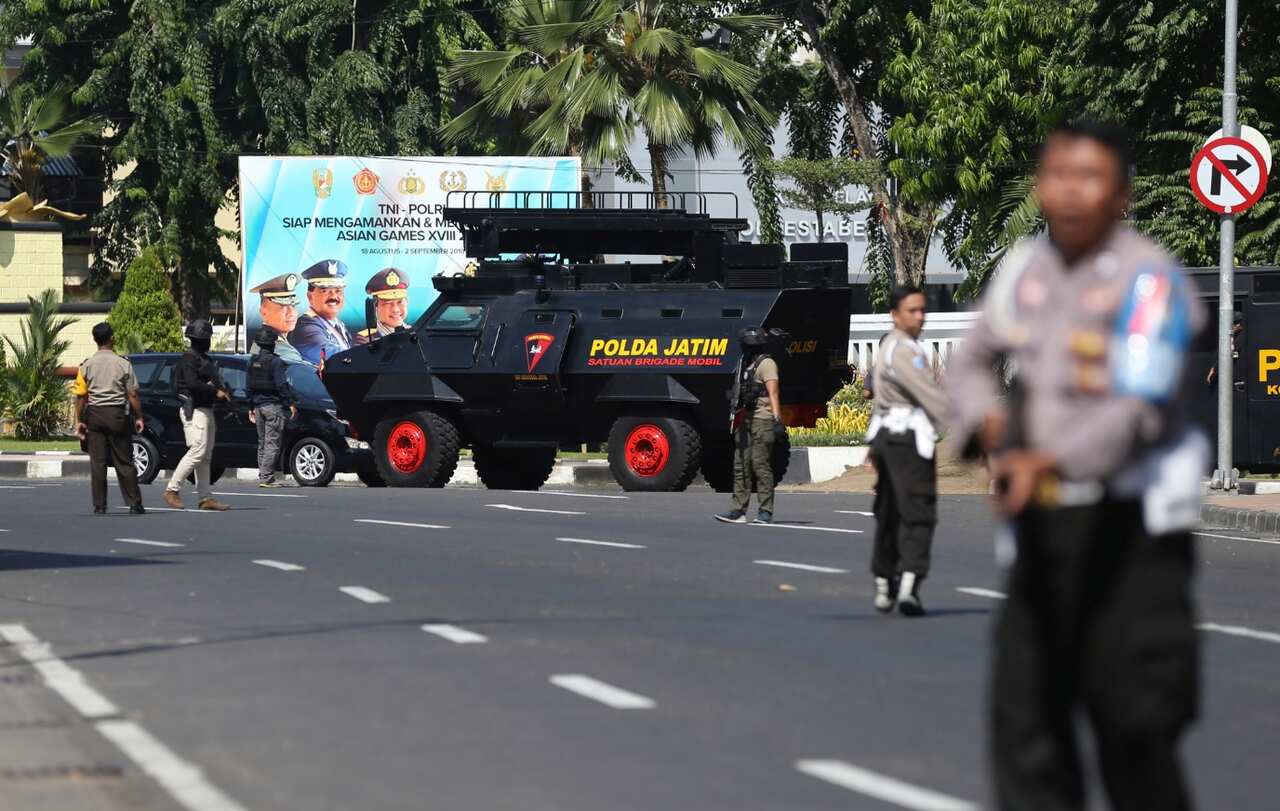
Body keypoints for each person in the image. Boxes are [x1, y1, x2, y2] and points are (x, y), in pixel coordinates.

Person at [946, 119, 1205, 811]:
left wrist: (1049, 460)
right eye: (1058, 174)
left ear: (1121, 194)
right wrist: (991, 423)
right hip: (1041, 534)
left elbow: (1137, 409)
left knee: (1135, 738)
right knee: (1026, 732)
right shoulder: (1024, 274)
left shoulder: (1151, 282)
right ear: (1038, 185)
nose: (1070, 191)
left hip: (1130, 539)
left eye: (1089, 177)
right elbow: (969, 359)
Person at [865, 286, 948, 616]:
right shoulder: (907, 351)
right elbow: (929, 395)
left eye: (922, 310)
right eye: (912, 310)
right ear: (895, 315)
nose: (920, 316)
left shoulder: (888, 345)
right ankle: (909, 586)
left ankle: (885, 581)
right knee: (918, 511)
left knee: (888, 510)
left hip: (886, 435)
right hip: (908, 440)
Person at [72, 323, 145, 515]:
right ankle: (134, 503)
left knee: (98, 462)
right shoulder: (123, 364)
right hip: (117, 415)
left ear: (95, 340)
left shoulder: (86, 365)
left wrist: (80, 421)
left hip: (95, 415)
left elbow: (80, 396)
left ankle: (99, 505)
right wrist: (139, 417)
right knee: (124, 460)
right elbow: (133, 395)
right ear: (112, 338)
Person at [715, 327, 784, 525]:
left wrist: (777, 420)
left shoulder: (767, 364)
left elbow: (773, 393)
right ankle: (738, 510)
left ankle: (765, 511)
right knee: (740, 465)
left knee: (760, 465)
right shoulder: (745, 363)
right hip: (744, 419)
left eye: (746, 344)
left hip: (762, 419)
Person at [163, 320, 231, 511]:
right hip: (194, 410)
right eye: (206, 338)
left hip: (206, 409)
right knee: (198, 451)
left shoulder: (205, 359)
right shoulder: (189, 359)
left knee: (206, 456)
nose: (208, 341)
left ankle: (205, 498)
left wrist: (222, 392)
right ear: (200, 340)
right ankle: (172, 489)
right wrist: (214, 392)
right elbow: (192, 384)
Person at [248, 328, 298, 487]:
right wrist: (290, 403)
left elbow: (248, 386)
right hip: (272, 407)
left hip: (257, 406)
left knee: (262, 442)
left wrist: (251, 406)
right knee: (272, 443)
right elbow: (281, 385)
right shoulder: (276, 362)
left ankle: (263, 474)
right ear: (272, 345)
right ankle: (267, 478)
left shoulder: (252, 361)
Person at [291, 259, 352, 365]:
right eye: (325, 291)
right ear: (310, 296)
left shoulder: (339, 325)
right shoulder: (305, 327)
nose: (333, 296)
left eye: (338, 291)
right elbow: (330, 355)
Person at [250, 272, 310, 366]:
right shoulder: (284, 352)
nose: (291, 313)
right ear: (263, 312)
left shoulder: (260, 341)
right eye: (282, 306)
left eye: (293, 305)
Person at [354, 267, 410, 345]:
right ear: (375, 307)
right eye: (388, 303)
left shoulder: (414, 332)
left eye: (400, 302)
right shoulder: (366, 339)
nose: (396, 309)